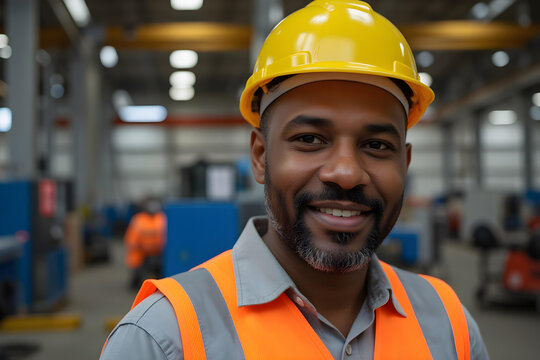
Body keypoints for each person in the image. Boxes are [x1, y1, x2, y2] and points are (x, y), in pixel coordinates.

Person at [101, 1, 489, 359]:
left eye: (376, 144)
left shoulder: (449, 327)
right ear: (260, 156)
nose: (347, 173)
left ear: (404, 164)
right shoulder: (165, 339)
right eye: (309, 140)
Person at [124, 198, 167, 289]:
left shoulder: (163, 218)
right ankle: (135, 283)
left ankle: (161, 285)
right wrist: (137, 246)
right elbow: (132, 237)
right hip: (141, 251)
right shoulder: (138, 219)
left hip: (159, 251)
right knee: (137, 265)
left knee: (161, 268)